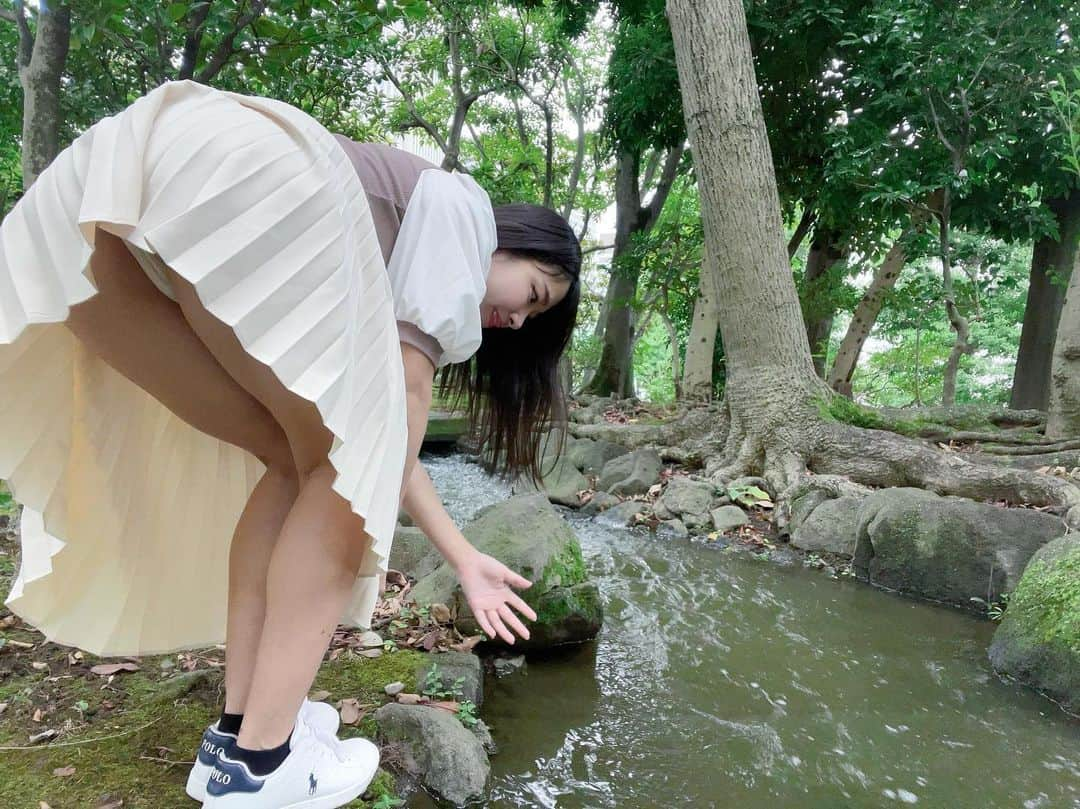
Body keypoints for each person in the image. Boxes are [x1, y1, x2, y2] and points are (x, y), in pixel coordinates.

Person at [0, 79, 580, 808]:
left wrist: (462, 557)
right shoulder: (464, 213)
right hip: (246, 175)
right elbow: (399, 406)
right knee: (339, 479)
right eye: (533, 297)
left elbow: (380, 438)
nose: (519, 322)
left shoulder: (390, 271)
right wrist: (364, 523)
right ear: (514, 240)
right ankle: (268, 759)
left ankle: (236, 743)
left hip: (101, 219)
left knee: (291, 455)